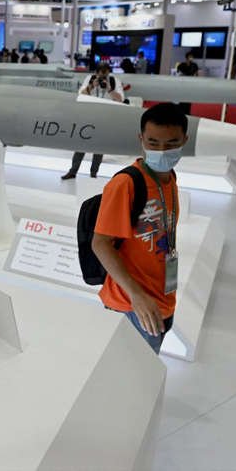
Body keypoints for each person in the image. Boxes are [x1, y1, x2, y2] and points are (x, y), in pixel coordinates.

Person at [92, 103, 188, 353]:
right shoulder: (126, 184)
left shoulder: (170, 177)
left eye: (171, 143)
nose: (162, 151)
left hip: (162, 298)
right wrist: (137, 296)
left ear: (185, 140)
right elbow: (100, 243)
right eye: (153, 143)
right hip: (131, 304)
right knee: (129, 376)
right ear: (141, 139)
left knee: (146, 369)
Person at [62, 63, 125, 180]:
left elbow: (120, 99)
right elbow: (80, 94)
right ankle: (73, 171)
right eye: (100, 74)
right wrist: (91, 86)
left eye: (105, 75)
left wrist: (109, 89)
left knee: (99, 147)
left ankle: (93, 173)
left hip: (105, 117)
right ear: (96, 73)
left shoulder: (114, 81)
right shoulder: (89, 79)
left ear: (108, 73)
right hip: (88, 115)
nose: (102, 78)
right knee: (81, 145)